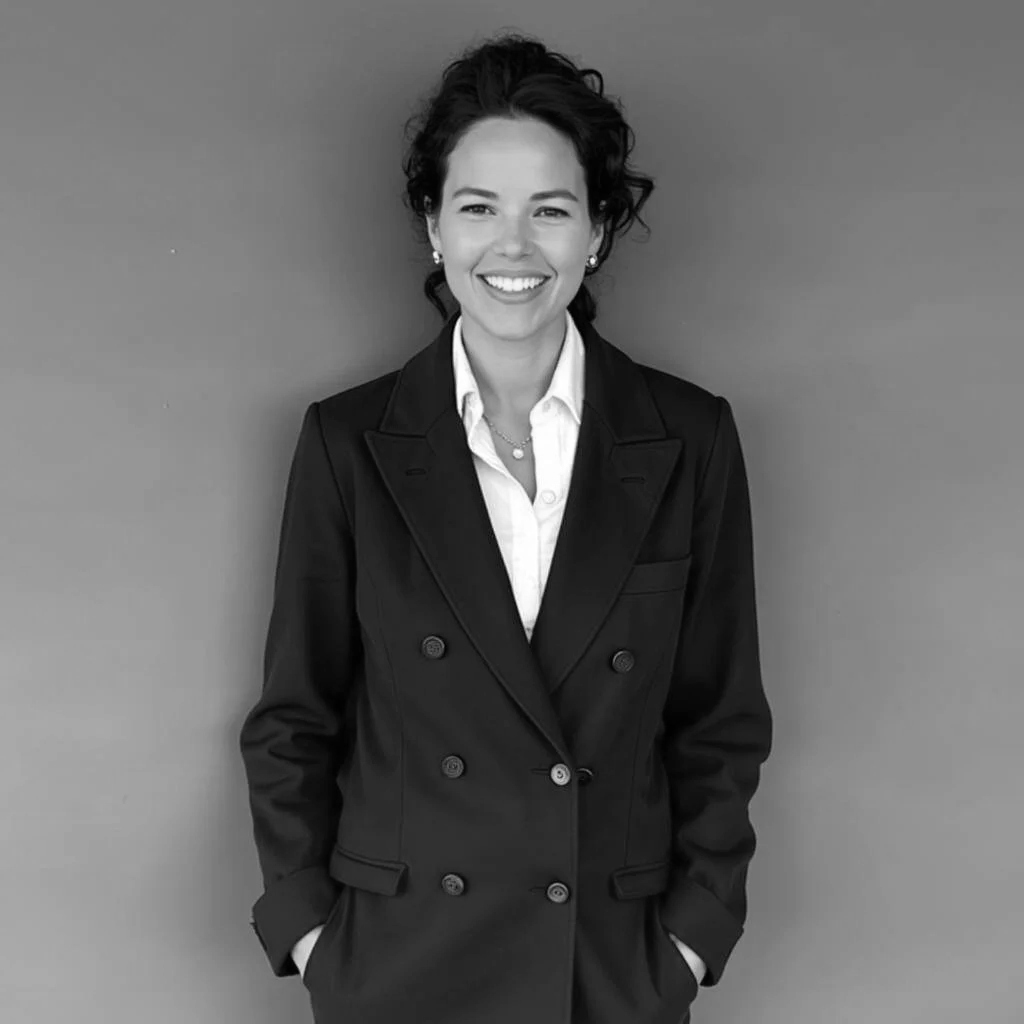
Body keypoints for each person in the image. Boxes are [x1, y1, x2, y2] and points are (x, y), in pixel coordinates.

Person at [239, 31, 772, 1024]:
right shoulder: (349, 441)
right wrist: (309, 933)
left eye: (552, 211)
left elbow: (719, 719)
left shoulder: (689, 436)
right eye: (478, 207)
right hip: (400, 965)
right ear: (433, 227)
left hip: (604, 971)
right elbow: (294, 717)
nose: (514, 248)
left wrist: (694, 939)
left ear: (598, 231)